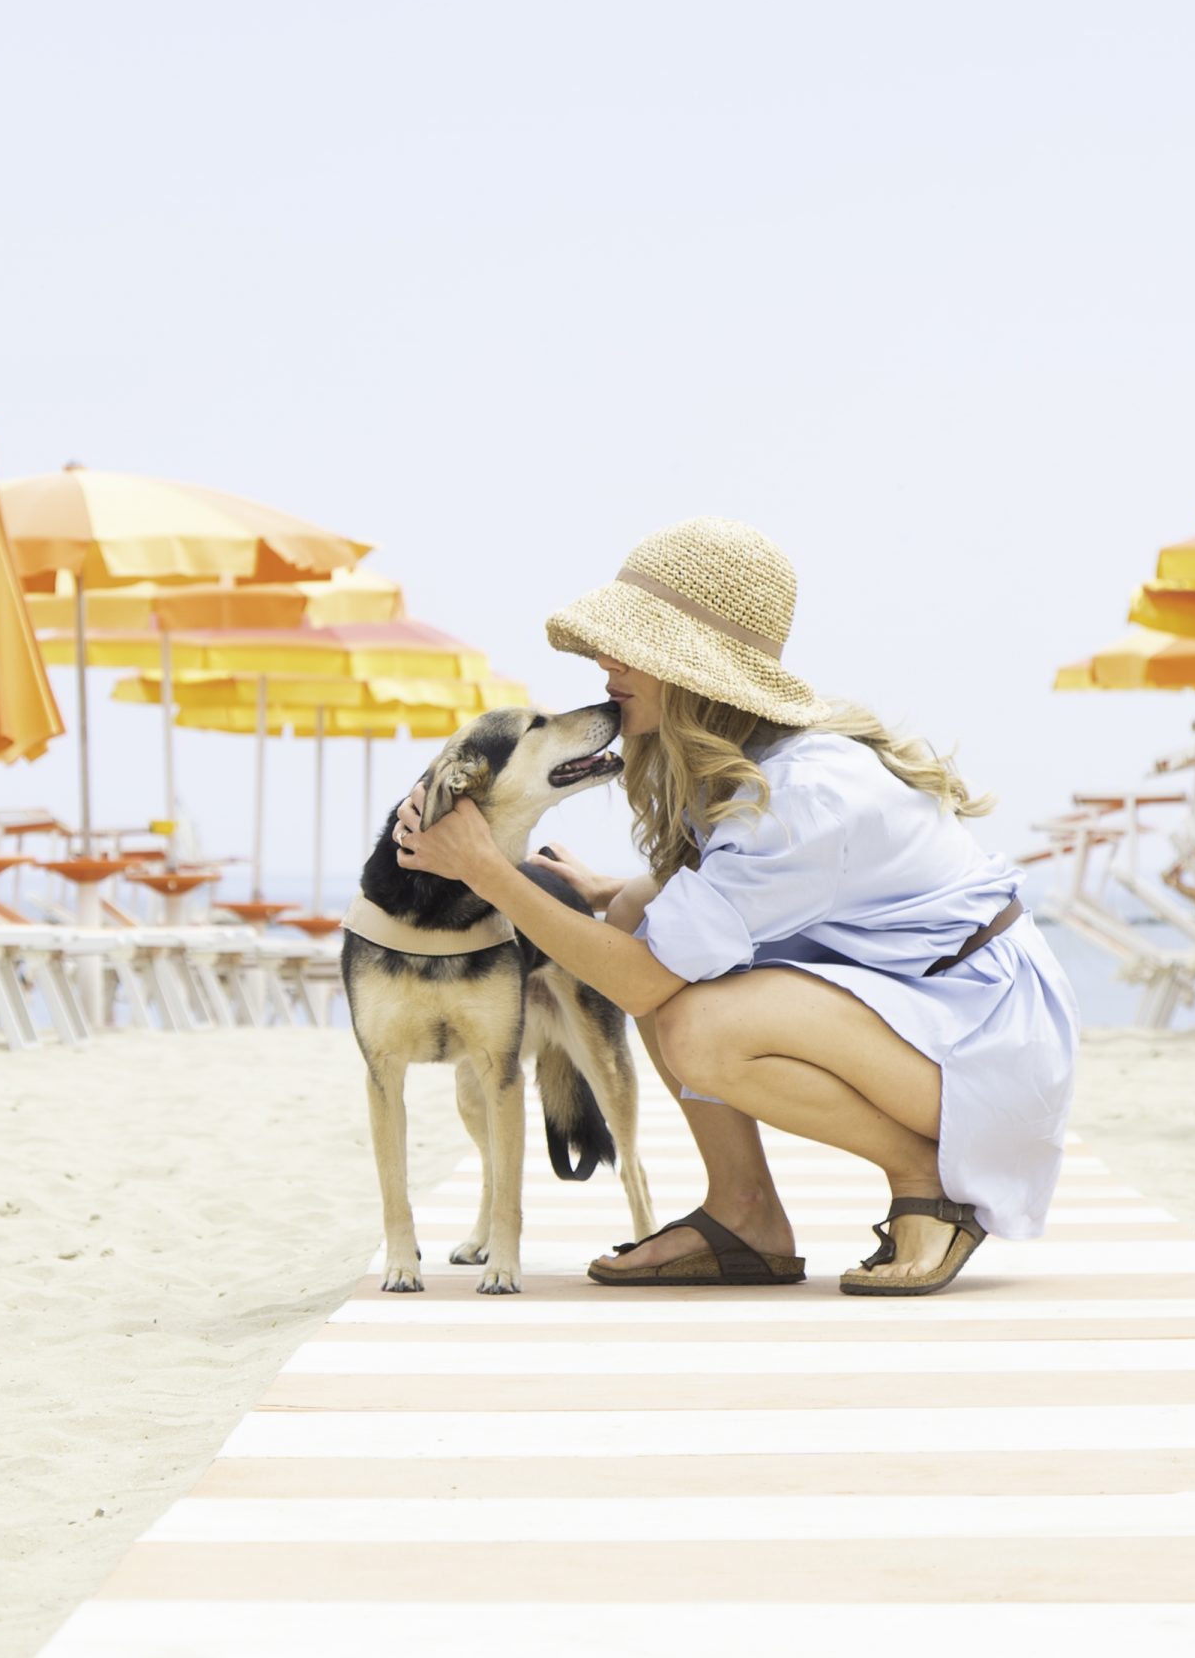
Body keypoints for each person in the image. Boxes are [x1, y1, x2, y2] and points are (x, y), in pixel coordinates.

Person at [393, 516, 1078, 1295]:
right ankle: (744, 1211)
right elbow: (726, 902)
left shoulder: (800, 797)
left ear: (693, 671)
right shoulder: (756, 764)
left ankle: (928, 1179)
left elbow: (647, 981)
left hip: (982, 1043)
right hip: (936, 1009)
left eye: (631, 647)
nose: (604, 664)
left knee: (699, 1024)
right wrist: (609, 893)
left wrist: (485, 870)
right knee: (631, 924)